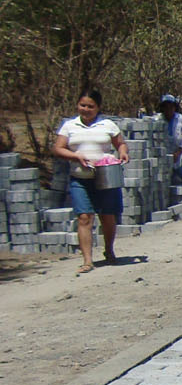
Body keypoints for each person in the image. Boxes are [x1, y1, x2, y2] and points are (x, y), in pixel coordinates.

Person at [53, 89, 129, 274]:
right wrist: (75, 156)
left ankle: (109, 250)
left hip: (105, 177)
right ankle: (87, 260)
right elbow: (58, 149)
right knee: (84, 217)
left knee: (108, 216)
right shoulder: (69, 126)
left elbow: (120, 143)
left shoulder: (107, 125)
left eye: (90, 106)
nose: (86, 109)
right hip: (80, 179)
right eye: (82, 105)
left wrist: (123, 153)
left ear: (98, 108)